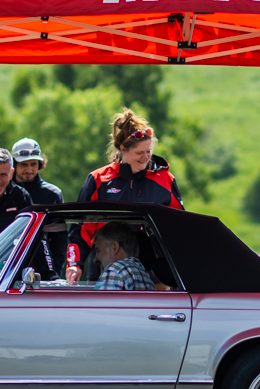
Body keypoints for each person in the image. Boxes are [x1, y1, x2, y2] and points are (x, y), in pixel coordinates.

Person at [66, 109, 183, 283]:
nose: (145, 157)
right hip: (103, 269)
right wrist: (75, 264)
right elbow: (81, 228)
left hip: (152, 271)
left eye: (148, 151)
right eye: (139, 153)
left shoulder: (165, 179)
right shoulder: (98, 180)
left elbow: (180, 228)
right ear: (123, 149)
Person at [12, 137, 66, 276]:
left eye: (33, 164)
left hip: (43, 270)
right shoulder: (5, 192)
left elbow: (59, 238)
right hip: (7, 266)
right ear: (14, 164)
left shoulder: (52, 194)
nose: (29, 169)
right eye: (24, 164)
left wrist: (55, 270)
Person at [90, 222, 154, 290]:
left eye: (98, 251)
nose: (95, 259)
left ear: (115, 248)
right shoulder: (143, 273)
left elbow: (104, 297)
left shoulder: (114, 271)